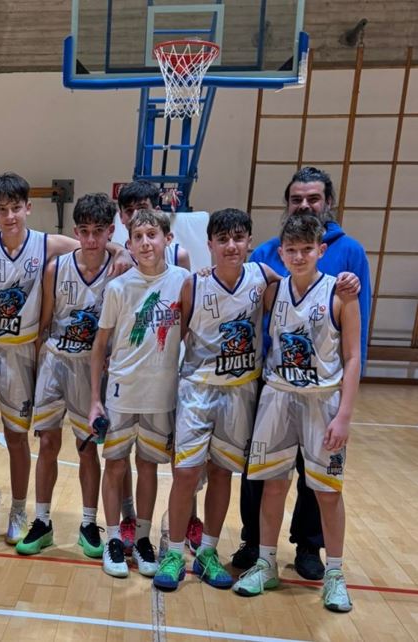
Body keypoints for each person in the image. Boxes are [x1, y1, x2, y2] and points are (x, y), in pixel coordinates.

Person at [0, 172, 133, 544]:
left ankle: (20, 511)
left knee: (19, 437)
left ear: (28, 208)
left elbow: (92, 242)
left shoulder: (47, 244)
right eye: (2, 210)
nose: (10, 216)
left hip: (25, 352)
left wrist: (121, 250)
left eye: (15, 208)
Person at [234, 167, 371, 580]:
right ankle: (260, 554)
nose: (297, 256)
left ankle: (323, 560)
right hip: (275, 389)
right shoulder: (269, 270)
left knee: (324, 488)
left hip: (322, 393)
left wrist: (346, 411)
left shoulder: (346, 271)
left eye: (306, 249)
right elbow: (236, 287)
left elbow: (353, 350)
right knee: (267, 480)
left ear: (320, 250)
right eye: (297, 199)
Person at [152, 209, 279, 590]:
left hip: (240, 391)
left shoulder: (263, 278)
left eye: (238, 238)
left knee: (223, 472)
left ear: (250, 242)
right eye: (222, 239)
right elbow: (175, 339)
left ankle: (208, 551)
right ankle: (175, 552)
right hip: (197, 389)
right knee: (186, 473)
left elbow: (298, 293)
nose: (231, 246)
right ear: (209, 244)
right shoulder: (194, 284)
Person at [89, 208, 188, 579]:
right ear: (128, 245)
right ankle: (114, 538)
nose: (145, 243)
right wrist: (95, 399)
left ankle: (143, 537)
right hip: (122, 391)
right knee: (115, 465)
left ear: (167, 239)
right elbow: (100, 346)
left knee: (148, 467)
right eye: (138, 237)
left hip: (160, 393)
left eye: (152, 235)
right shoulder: (118, 288)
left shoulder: (184, 282)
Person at [18, 193, 115, 558]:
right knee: (47, 443)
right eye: (84, 231)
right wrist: (36, 370)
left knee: (87, 447)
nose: (91, 239)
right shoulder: (55, 269)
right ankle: (42, 521)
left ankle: (89, 523)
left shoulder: (119, 269)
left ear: (110, 232)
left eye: (98, 231)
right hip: (55, 362)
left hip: (91, 367)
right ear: (76, 231)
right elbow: (44, 323)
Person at [113, 180, 191, 271]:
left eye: (142, 209)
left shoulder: (177, 255)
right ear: (121, 217)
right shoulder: (117, 258)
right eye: (129, 211)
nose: (135, 216)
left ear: (156, 211)